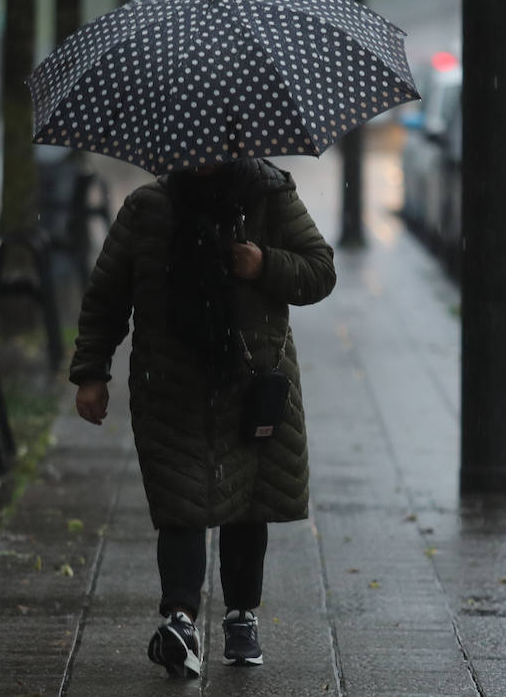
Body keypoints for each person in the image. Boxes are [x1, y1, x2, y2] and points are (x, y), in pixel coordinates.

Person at [69, 158, 336, 677]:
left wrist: (264, 265)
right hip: (171, 384)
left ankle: (241, 616)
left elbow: (320, 270)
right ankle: (181, 619)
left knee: (248, 500)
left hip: (253, 380)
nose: (206, 157)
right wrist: (91, 372)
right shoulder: (149, 208)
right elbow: (107, 294)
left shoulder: (269, 196)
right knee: (180, 502)